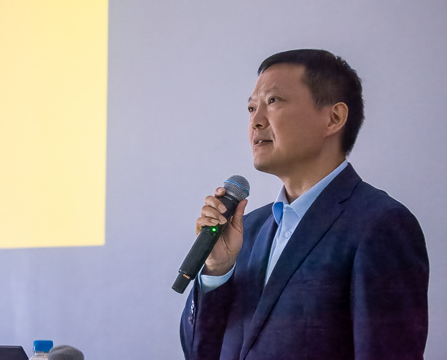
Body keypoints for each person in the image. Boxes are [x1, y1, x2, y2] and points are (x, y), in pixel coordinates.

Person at [180, 49, 429, 360]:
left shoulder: (380, 225)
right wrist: (217, 270)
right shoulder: (247, 230)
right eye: (251, 107)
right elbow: (201, 352)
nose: (256, 121)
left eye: (273, 101)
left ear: (333, 118)